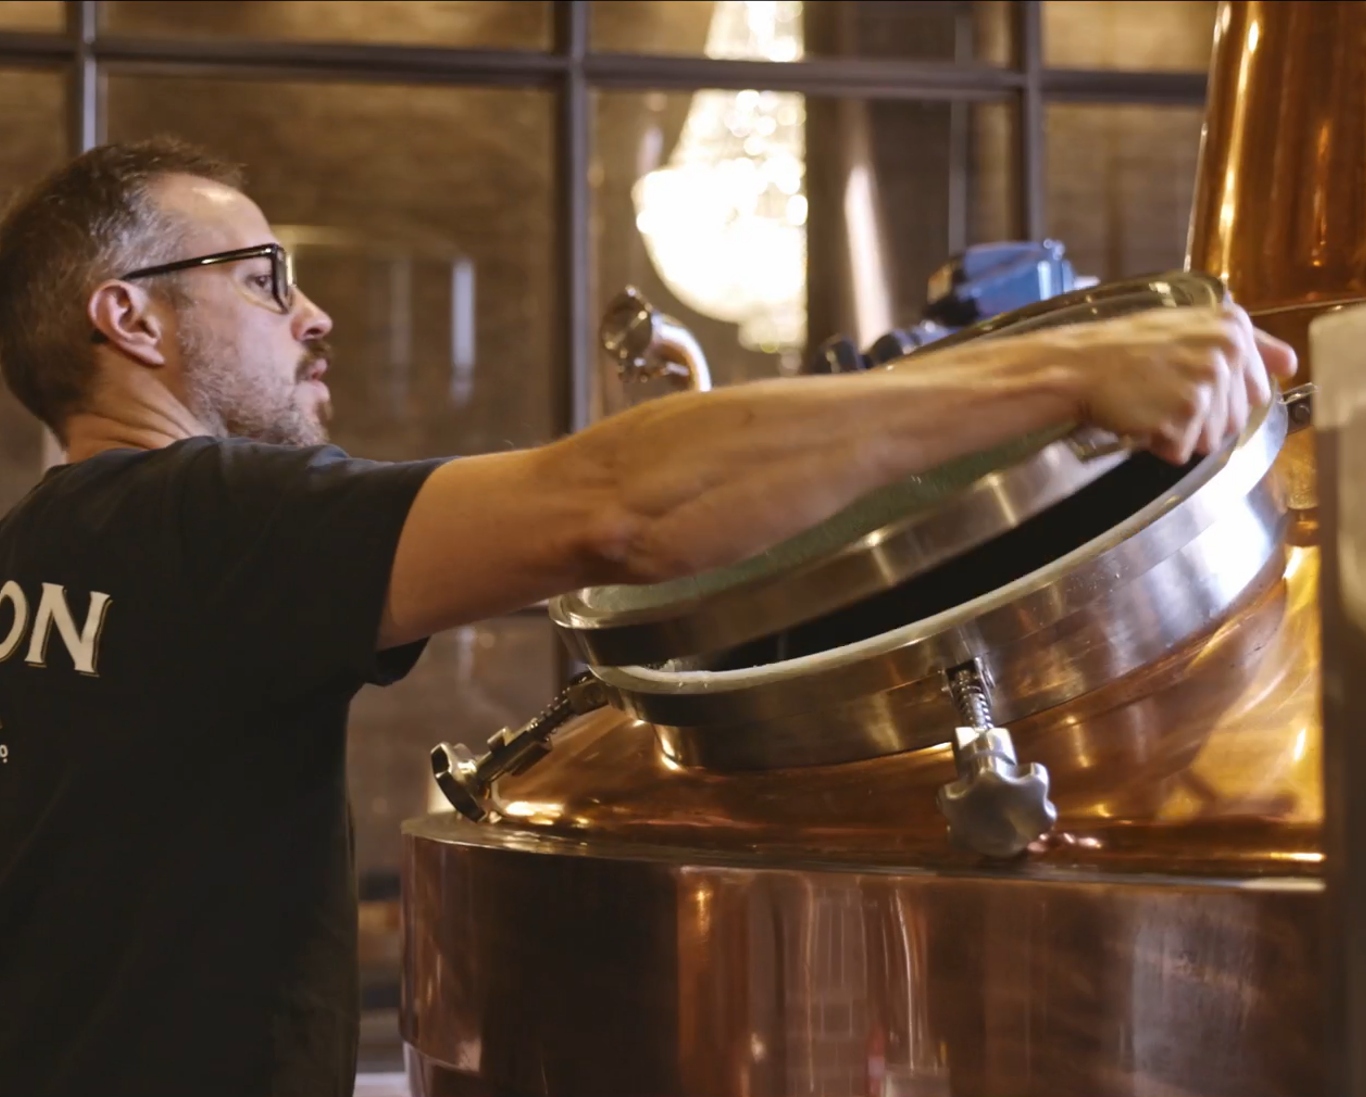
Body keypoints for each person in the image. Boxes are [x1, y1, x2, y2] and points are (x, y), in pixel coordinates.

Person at [0, 137, 1297, 1097]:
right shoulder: (204, 522)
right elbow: (611, 509)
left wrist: (713, 457)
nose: (312, 312)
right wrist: (1064, 369)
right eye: (261, 277)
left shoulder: (48, 553)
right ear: (129, 316)